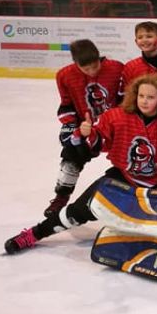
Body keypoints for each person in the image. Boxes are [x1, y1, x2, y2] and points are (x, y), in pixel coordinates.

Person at [4, 74, 157, 254]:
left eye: (150, 97)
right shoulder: (117, 116)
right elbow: (98, 141)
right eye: (141, 96)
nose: (144, 101)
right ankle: (34, 234)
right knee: (78, 210)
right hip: (123, 177)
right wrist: (88, 133)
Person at [43, 38, 124, 217]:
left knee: (127, 161)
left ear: (99, 57)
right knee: (71, 156)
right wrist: (72, 126)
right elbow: (66, 104)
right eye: (86, 69)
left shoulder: (116, 68)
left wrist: (117, 120)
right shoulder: (64, 75)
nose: (92, 71)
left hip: (115, 125)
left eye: (95, 66)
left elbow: (125, 99)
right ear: (75, 63)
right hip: (85, 126)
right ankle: (61, 198)